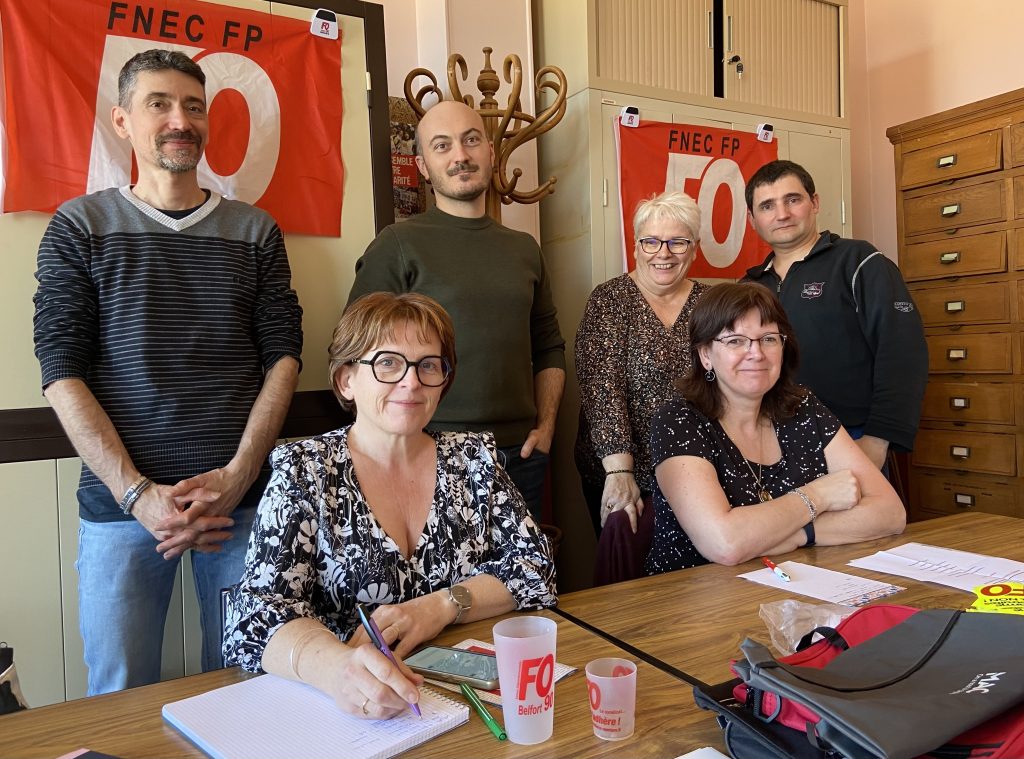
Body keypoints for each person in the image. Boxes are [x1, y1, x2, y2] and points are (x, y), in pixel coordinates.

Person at [32, 50, 303, 694]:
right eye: (159, 104)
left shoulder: (256, 232)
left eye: (193, 106)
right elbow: (59, 368)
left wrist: (238, 478)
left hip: (239, 506)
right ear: (123, 122)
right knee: (118, 690)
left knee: (248, 684)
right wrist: (136, 494)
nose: (179, 120)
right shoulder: (79, 225)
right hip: (120, 509)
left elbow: (284, 356)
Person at [224, 292, 556, 718]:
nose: (412, 382)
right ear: (347, 380)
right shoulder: (304, 470)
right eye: (387, 363)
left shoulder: (474, 460)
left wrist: (441, 605)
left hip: (463, 703)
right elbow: (255, 616)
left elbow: (535, 568)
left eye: (428, 365)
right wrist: (336, 670)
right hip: (346, 711)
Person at [346, 100, 566, 522]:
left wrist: (547, 427)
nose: (460, 156)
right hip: (428, 456)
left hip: (521, 458)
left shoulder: (524, 250)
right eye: (442, 146)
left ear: (490, 152)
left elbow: (549, 346)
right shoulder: (396, 246)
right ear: (423, 166)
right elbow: (355, 357)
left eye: (470, 141)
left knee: (519, 587)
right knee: (442, 589)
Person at [644, 283, 905, 575]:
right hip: (693, 603)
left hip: (797, 583)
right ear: (706, 354)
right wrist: (818, 496)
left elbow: (890, 513)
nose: (756, 353)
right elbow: (725, 543)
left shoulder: (804, 407)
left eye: (768, 339)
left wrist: (794, 534)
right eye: (735, 341)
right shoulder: (679, 421)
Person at [743, 160, 928, 470]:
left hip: (851, 438)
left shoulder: (860, 262)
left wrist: (878, 438)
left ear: (814, 203)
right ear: (752, 219)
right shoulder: (750, 286)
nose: (782, 214)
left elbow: (902, 352)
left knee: (859, 520)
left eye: (793, 199)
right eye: (767, 206)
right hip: (771, 441)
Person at [575, 191, 709, 535]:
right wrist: (620, 471)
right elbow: (601, 387)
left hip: (697, 469)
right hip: (619, 468)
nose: (663, 253)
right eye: (651, 242)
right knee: (631, 578)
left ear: (694, 248)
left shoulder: (712, 303)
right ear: (635, 246)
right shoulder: (610, 299)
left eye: (677, 242)